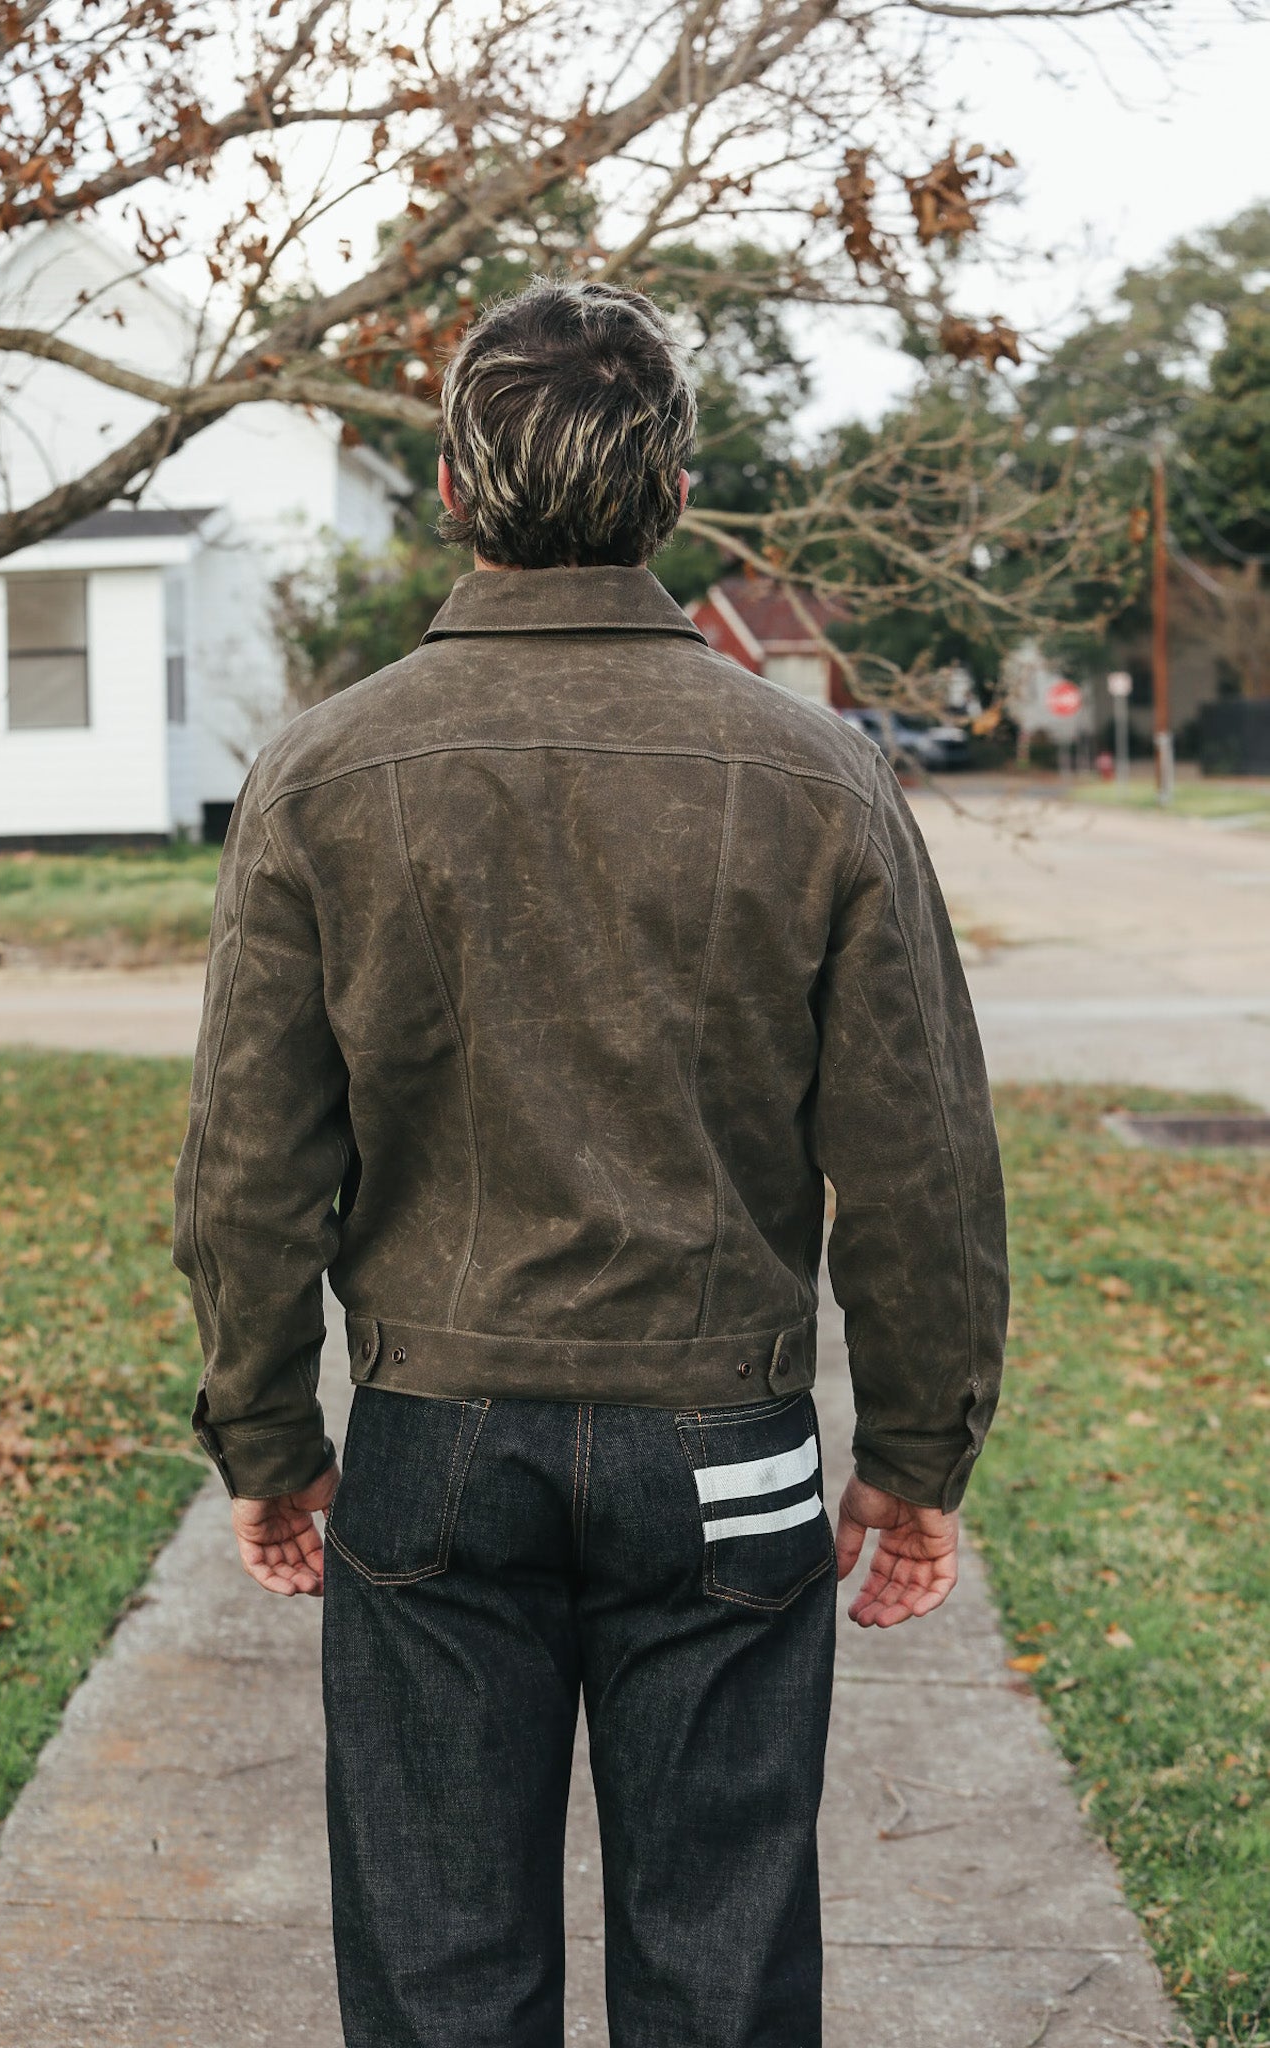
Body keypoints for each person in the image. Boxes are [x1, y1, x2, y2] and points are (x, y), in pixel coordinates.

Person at [173, 276, 1008, 2048]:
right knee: (720, 1967)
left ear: (465, 496)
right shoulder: (820, 774)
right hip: (727, 1449)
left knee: (436, 1971)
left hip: (431, 1450)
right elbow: (920, 1159)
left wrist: (264, 1437)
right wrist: (917, 1456)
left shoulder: (321, 774)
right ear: (669, 491)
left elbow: (248, 1165)